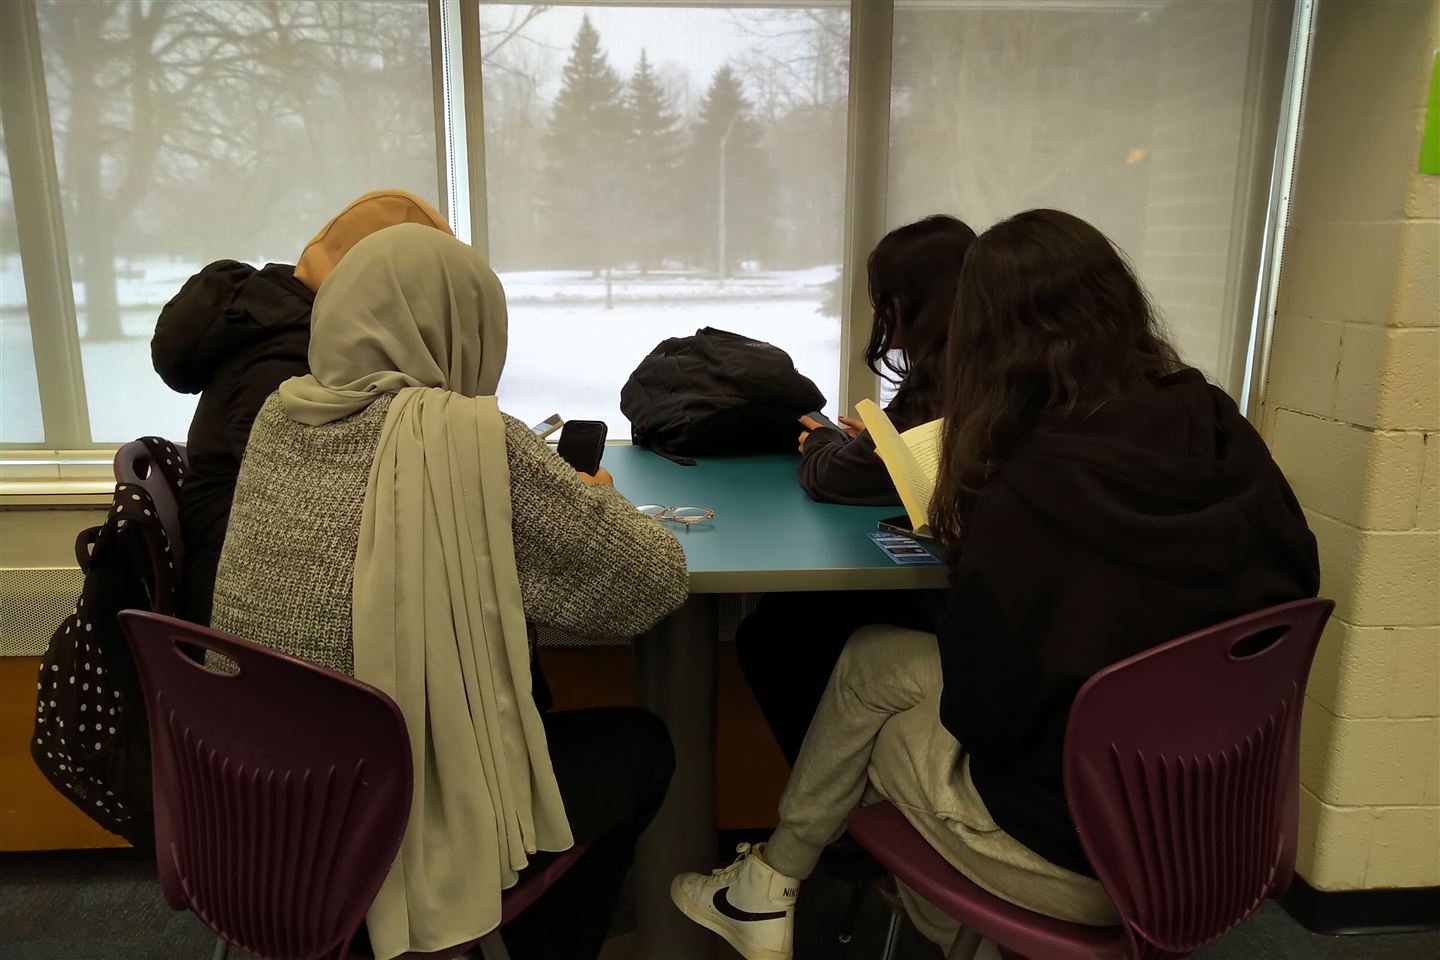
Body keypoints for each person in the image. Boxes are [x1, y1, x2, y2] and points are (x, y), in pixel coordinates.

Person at [672, 209, 1320, 960]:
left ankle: (835, 892)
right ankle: (783, 887)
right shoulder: (1218, 424)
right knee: (872, 660)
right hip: (1226, 827)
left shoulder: (1027, 490)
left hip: (1084, 860)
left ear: (985, 336)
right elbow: (1295, 584)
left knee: (859, 711)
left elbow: (986, 718)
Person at [210, 224, 689, 960]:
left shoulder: (281, 414)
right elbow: (648, 584)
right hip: (382, 814)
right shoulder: (471, 439)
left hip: (257, 800)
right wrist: (603, 503)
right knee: (641, 748)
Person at [151, 189, 452, 626]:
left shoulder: (277, 324)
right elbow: (316, 499)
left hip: (254, 585)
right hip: (250, 615)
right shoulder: (286, 355)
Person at [737, 215, 975, 767]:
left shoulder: (945, 379)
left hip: (962, 608)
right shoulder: (982, 365)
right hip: (1007, 600)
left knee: (775, 636)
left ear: (902, 302)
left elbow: (835, 478)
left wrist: (820, 440)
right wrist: (879, 444)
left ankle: (846, 813)